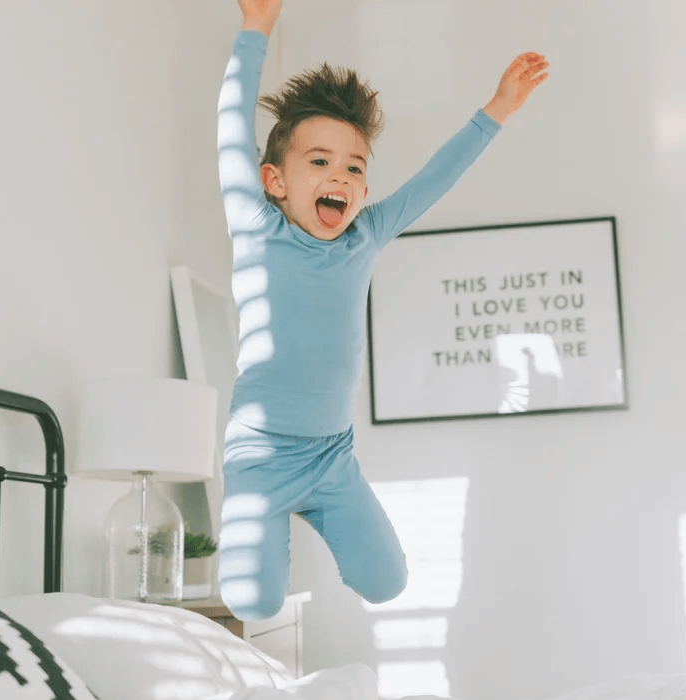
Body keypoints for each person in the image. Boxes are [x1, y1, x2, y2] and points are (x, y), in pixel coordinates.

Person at [216, 0, 549, 621]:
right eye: (318, 162)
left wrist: (497, 109)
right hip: (260, 453)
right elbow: (230, 126)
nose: (338, 176)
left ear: (364, 190)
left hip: (331, 455)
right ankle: (259, 527)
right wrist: (255, 30)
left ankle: (307, 516)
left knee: (387, 583)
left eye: (353, 167)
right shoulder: (255, 225)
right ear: (274, 180)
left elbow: (435, 178)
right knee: (252, 602)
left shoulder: (365, 235)